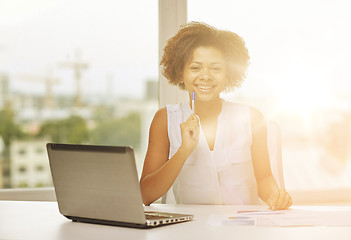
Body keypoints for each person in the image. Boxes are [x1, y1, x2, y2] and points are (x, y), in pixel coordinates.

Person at [140, 21, 292, 210]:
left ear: (228, 74)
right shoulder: (165, 119)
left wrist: (276, 197)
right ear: (180, 73)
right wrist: (183, 151)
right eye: (195, 68)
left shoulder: (251, 118)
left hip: (243, 228)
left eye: (216, 68)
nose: (206, 76)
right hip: (190, 230)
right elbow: (145, 195)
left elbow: (264, 179)